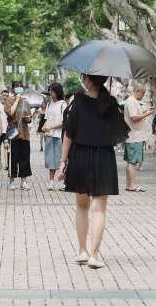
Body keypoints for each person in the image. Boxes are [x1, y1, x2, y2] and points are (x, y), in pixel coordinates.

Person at [55, 74, 129, 269]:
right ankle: (94, 255)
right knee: (99, 209)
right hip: (103, 157)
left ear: (88, 79)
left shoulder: (78, 100)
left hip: (80, 156)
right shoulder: (110, 103)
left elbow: (69, 133)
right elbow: (119, 133)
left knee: (81, 206)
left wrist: (63, 162)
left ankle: (81, 251)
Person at [123, 84, 154, 192]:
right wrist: (147, 114)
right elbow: (134, 117)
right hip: (134, 136)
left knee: (130, 161)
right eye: (143, 93)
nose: (143, 95)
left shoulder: (132, 101)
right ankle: (133, 185)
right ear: (137, 91)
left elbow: (136, 115)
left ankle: (129, 184)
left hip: (133, 136)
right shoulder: (131, 101)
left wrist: (145, 111)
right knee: (133, 162)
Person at [4, 81, 32, 190]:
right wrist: (16, 100)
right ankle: (11, 181)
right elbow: (10, 113)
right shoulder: (9, 100)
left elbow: (29, 116)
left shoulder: (25, 101)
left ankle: (23, 181)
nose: (19, 88)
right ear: (13, 89)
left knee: (25, 158)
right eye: (17, 86)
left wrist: (29, 118)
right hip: (13, 134)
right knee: (13, 158)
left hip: (25, 134)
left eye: (21, 86)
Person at [42, 83, 66, 190]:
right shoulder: (49, 104)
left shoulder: (63, 104)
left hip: (60, 136)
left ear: (57, 91)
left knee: (62, 159)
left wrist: (51, 127)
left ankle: (64, 182)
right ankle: (51, 183)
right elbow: (47, 119)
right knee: (50, 160)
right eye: (49, 90)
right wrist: (44, 127)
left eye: (51, 90)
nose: (50, 92)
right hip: (50, 135)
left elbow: (63, 121)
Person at [0, 90, 9, 170]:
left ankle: (7, 163)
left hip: (7, 130)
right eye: (4, 95)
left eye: (7, 96)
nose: (5, 97)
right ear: (1, 96)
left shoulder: (10, 105)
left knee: (6, 146)